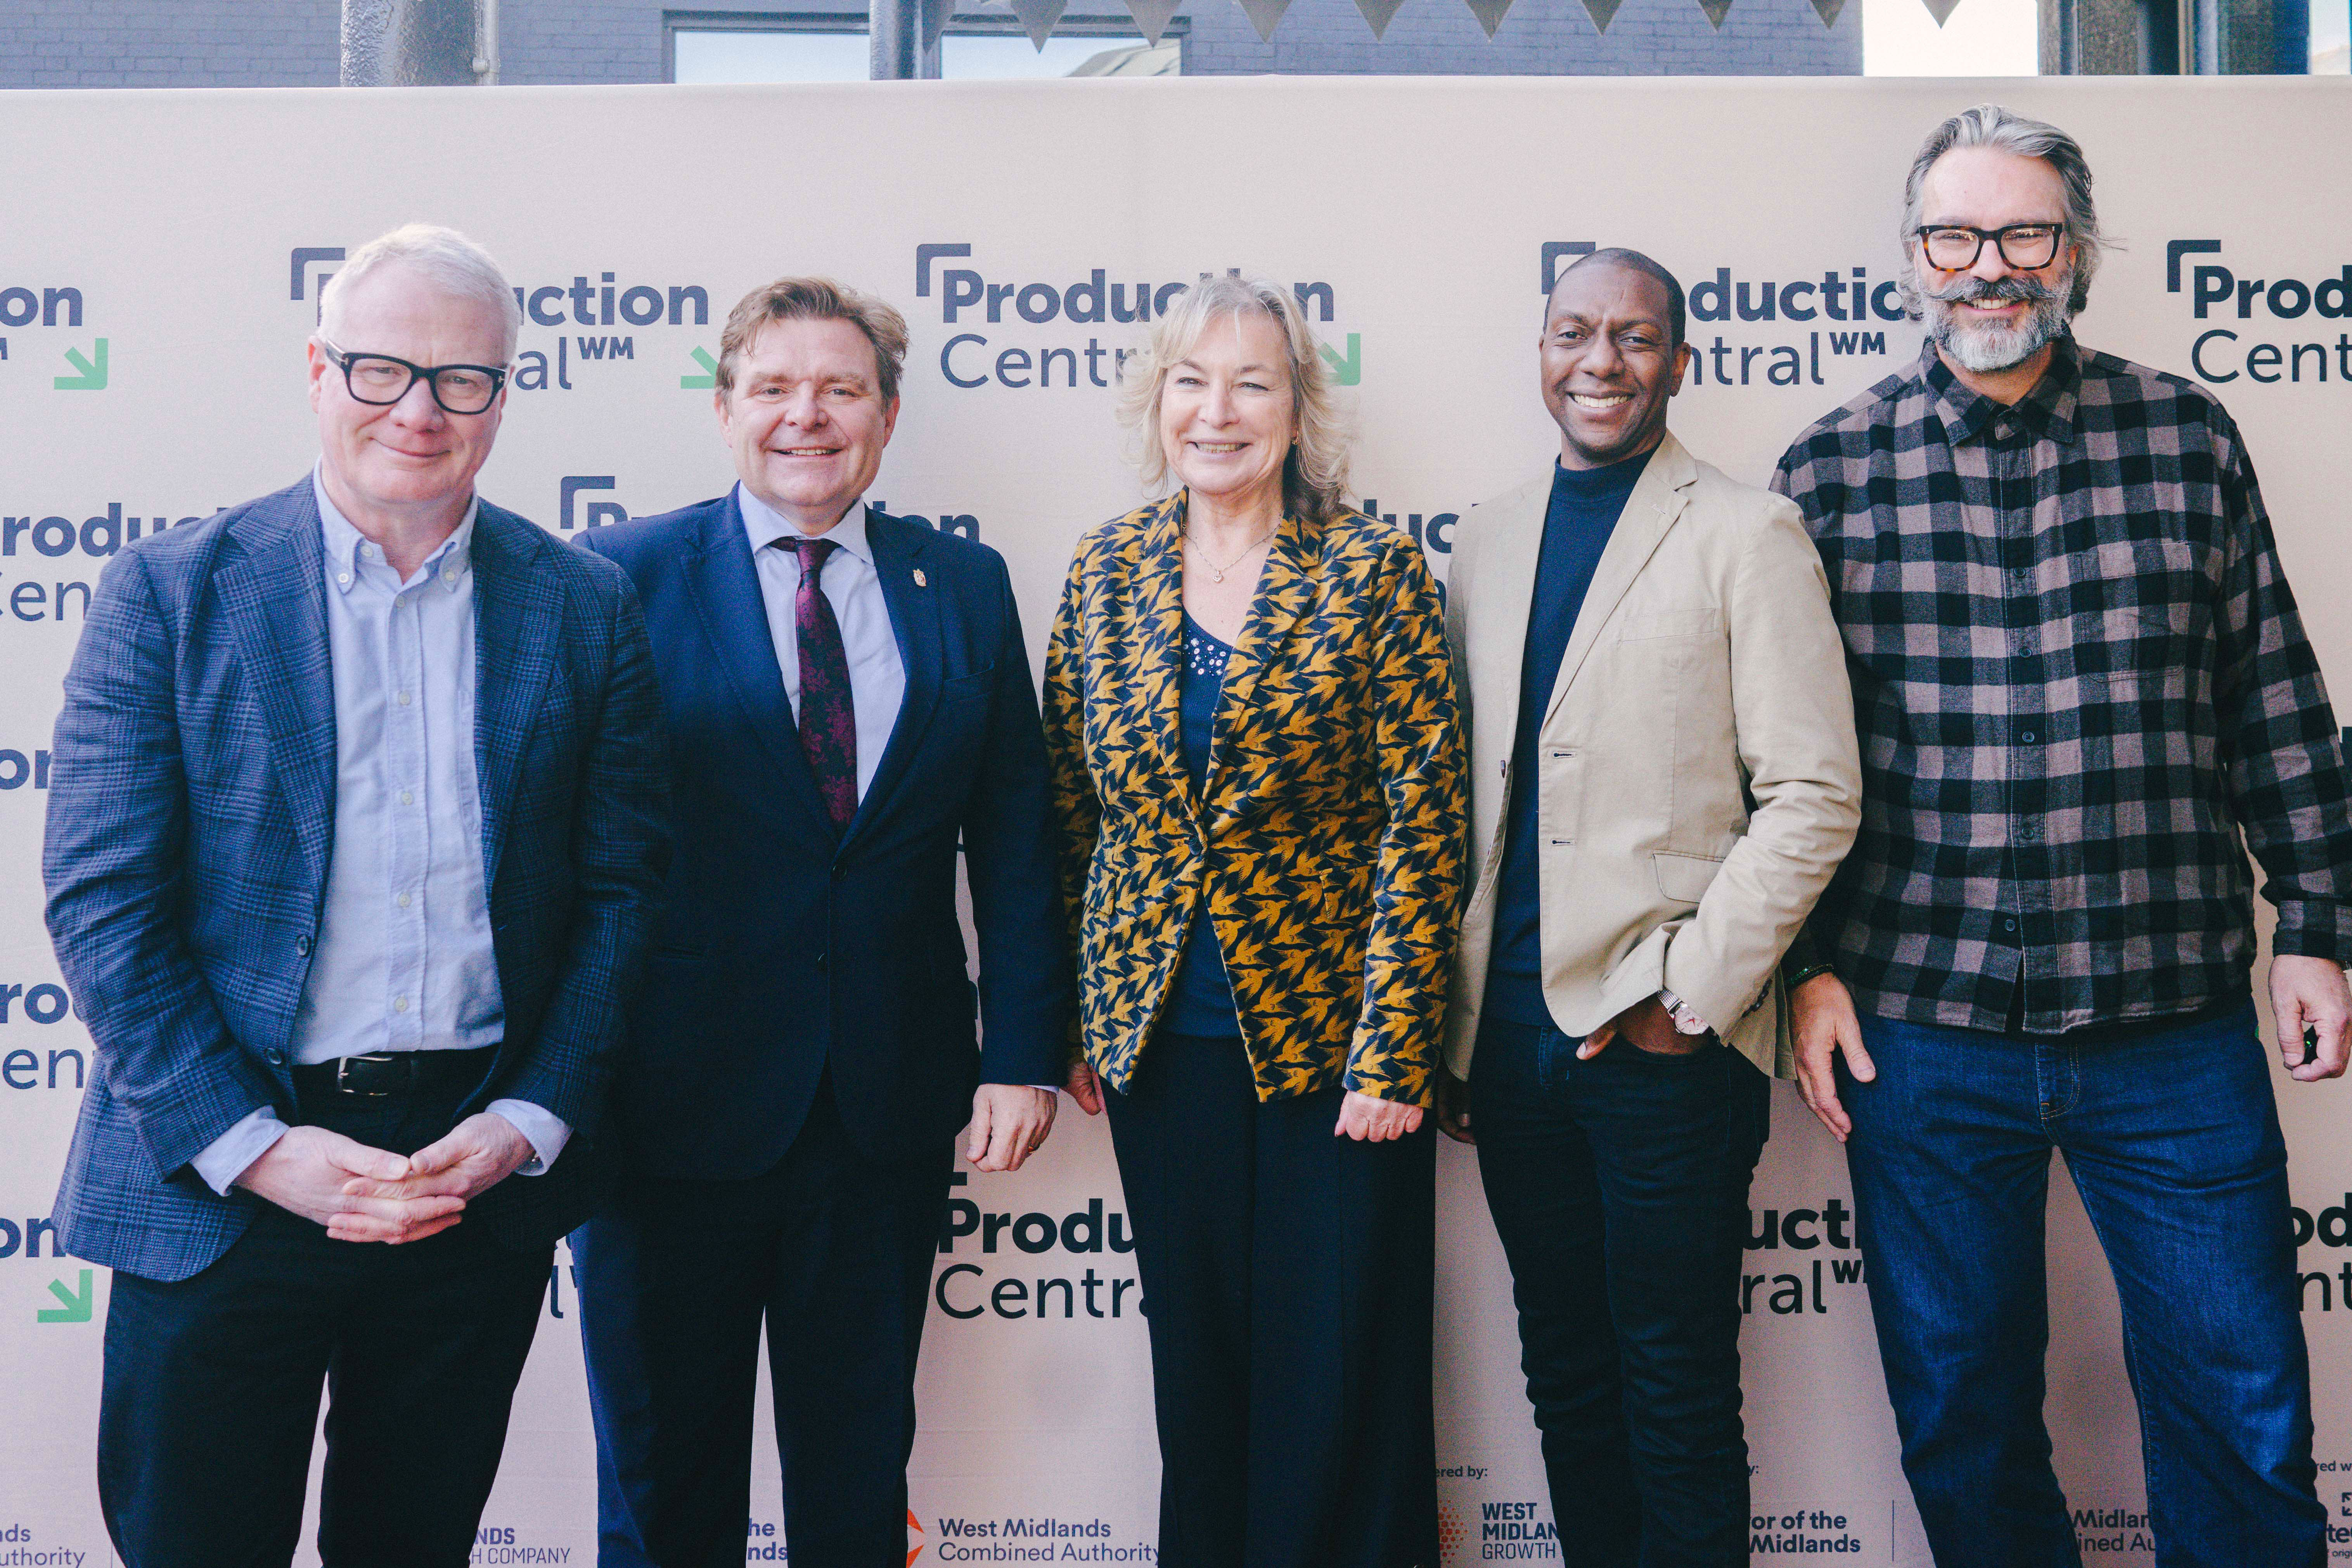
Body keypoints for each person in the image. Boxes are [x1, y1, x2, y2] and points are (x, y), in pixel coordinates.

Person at [41, 222, 670, 1568]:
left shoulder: (584, 606)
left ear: (505, 396)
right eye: (384, 371)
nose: (422, 412)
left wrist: (526, 1117)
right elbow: (103, 906)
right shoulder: (169, 592)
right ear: (318, 369)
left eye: (464, 380)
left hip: (466, 1180)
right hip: (220, 1188)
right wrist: (261, 1147)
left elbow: (623, 897)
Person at [1774, 103, 2352, 1568]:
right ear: (1911, 260)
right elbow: (1781, 763)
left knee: (2242, 1403)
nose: (1989, 266)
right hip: (1920, 1021)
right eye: (1954, 236)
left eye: (2023, 232)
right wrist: (1810, 967)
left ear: (2076, 252)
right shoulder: (1830, 471)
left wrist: (2321, 930)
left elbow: (2273, 704)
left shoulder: (2187, 436)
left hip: (2173, 1018)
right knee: (1961, 1412)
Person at [571, 275, 1067, 1568]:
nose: (809, 416)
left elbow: (1015, 835)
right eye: (777, 388)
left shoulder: (959, 583)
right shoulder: (617, 578)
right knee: (665, 1488)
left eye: (841, 390)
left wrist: (1019, 1051)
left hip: (880, 1114)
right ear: (725, 407)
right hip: (663, 1120)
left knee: (856, 1483)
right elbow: (566, 849)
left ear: (888, 419)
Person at [1435, 248, 1860, 1566]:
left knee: (1675, 1388)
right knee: (1563, 1373)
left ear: (1682, 362)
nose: (1600, 361)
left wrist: (1694, 991)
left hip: (1664, 1046)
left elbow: (1814, 790)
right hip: (1505, 1044)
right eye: (1575, 332)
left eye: (1634, 337)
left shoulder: (1747, 531)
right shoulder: (1485, 535)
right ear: (1541, 349)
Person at [1044, 272, 1465, 1568]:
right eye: (1192, 380)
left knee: (1342, 1379)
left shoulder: (1372, 568)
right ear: (1156, 401)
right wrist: (1081, 1012)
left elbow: (1426, 821)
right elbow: (1070, 808)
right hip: (1163, 1045)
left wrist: (1394, 1051)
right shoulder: (1106, 568)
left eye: (1252, 382)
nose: (1217, 412)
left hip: (1337, 1053)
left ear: (1299, 408)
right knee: (1202, 1373)